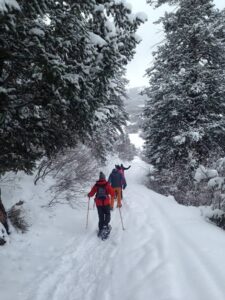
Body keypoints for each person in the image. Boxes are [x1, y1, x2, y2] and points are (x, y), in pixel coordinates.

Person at [88, 172, 114, 236]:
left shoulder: (96, 185)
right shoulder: (107, 184)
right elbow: (112, 193)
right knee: (107, 214)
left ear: (99, 178)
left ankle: (100, 229)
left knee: (101, 216)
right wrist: (115, 194)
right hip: (106, 203)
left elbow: (91, 193)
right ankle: (105, 225)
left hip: (98, 203)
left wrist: (89, 195)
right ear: (104, 178)